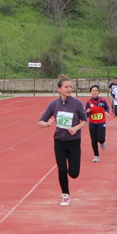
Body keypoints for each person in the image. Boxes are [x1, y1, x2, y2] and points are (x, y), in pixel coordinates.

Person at [38, 77, 88, 207]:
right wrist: (48, 124)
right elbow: (40, 122)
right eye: (66, 87)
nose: (69, 89)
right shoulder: (53, 104)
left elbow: (84, 120)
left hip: (74, 142)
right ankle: (65, 195)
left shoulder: (77, 103)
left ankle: (70, 176)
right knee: (61, 169)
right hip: (59, 141)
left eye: (70, 87)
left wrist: (75, 128)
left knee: (74, 173)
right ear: (59, 89)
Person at [85, 85, 110, 162]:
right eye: (93, 91)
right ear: (90, 93)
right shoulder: (88, 102)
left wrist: (106, 112)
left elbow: (107, 108)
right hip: (92, 123)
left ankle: (102, 142)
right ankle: (96, 156)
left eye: (96, 91)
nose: (94, 92)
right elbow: (86, 115)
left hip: (101, 122)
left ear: (98, 92)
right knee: (93, 140)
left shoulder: (102, 101)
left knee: (100, 138)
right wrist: (87, 112)